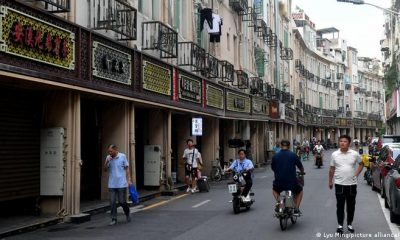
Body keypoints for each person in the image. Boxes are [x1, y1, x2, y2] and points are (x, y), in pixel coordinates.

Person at [329, 135, 364, 234]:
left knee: (351, 205)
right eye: (341, 141)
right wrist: (330, 181)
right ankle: (340, 225)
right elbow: (332, 168)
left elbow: (361, 164)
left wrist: (356, 174)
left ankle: (349, 224)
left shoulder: (354, 154)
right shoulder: (334, 154)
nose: (342, 143)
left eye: (345, 141)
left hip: (352, 184)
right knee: (339, 205)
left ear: (349, 143)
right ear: (339, 142)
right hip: (339, 184)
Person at [271, 140, 305, 214]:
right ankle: (296, 208)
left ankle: (279, 202)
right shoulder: (293, 155)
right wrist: (302, 173)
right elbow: (300, 167)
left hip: (279, 182)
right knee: (300, 191)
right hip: (291, 182)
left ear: (280, 145)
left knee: (275, 190)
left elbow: (273, 168)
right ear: (289, 146)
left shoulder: (275, 156)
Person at [104, 144, 132, 226]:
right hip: (112, 184)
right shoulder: (108, 158)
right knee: (112, 202)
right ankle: (114, 219)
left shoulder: (122, 156)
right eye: (108, 151)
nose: (109, 153)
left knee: (122, 202)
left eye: (111, 151)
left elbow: (127, 168)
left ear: (116, 150)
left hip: (121, 184)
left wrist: (129, 179)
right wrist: (107, 161)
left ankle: (127, 213)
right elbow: (105, 169)